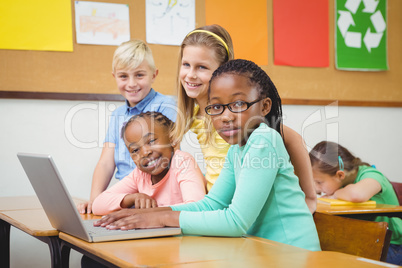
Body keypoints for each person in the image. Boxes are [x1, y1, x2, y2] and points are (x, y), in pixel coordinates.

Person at [94, 59, 321, 252]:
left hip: (293, 254)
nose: (226, 117)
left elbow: (236, 221)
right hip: (264, 252)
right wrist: (153, 214)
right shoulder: (237, 148)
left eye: (238, 104)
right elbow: (213, 203)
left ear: (264, 106)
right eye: (216, 107)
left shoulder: (264, 140)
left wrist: (161, 218)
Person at [171, 24, 317, 213]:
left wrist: (309, 196)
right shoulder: (193, 115)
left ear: (222, 71)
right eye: (186, 65)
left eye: (202, 67)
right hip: (218, 206)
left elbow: (293, 139)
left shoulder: (239, 113)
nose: (191, 75)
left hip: (245, 209)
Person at [77, 39, 177, 214]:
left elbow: (172, 156)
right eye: (124, 76)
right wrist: (94, 201)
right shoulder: (118, 115)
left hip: (155, 199)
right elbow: (106, 163)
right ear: (115, 77)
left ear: (154, 75)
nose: (131, 83)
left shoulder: (166, 106)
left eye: (139, 75)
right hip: (126, 198)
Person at [91, 111, 206, 215]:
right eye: (135, 150)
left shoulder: (182, 162)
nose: (145, 152)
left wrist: (148, 214)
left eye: (151, 141)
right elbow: (97, 205)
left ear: (172, 138)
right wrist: (131, 198)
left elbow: (197, 207)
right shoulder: (139, 175)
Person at [309, 141, 402, 265]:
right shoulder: (342, 183)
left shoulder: (371, 175)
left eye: (319, 182)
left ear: (340, 175)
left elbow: (357, 195)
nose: (316, 188)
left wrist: (335, 194)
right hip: (366, 242)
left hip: (393, 245)